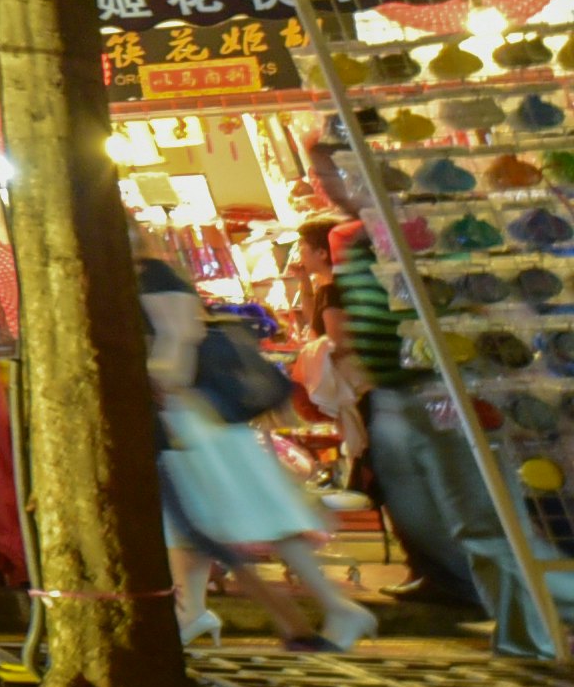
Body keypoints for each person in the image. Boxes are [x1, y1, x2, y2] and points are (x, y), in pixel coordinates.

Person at [142, 258, 375, 650]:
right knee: (197, 521)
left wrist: (157, 377)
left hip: (194, 418)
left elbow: (180, 335)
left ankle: (336, 609)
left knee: (253, 517)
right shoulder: (143, 273)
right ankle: (193, 611)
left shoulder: (149, 274)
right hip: (191, 418)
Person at [328, 211, 495, 613]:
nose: (326, 183)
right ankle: (460, 582)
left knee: (469, 503)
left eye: (330, 170)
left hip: (438, 385)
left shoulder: (419, 231)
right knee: (411, 502)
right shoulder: (354, 242)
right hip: (392, 390)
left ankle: (499, 590)